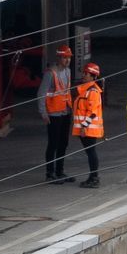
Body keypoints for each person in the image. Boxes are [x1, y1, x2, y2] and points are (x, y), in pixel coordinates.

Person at [39, 45, 74, 184]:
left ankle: (60, 171)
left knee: (63, 143)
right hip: (53, 113)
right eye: (65, 58)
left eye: (69, 58)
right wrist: (43, 112)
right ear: (59, 58)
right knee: (53, 143)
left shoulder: (68, 72)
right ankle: (50, 173)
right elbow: (41, 94)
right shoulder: (50, 73)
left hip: (65, 111)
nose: (67, 60)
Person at [72, 62, 104, 188]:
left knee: (91, 152)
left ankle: (94, 178)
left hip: (89, 129)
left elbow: (92, 112)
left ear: (92, 76)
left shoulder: (93, 92)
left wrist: (84, 126)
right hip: (86, 129)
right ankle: (93, 177)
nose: (83, 75)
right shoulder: (86, 90)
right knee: (90, 152)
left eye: (86, 73)